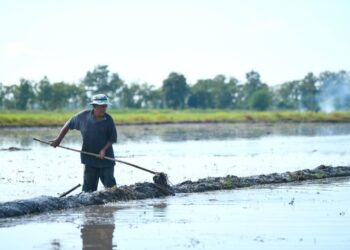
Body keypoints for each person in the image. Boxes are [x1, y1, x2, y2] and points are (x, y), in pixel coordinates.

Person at [50, 94, 117, 192]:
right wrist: (58, 140)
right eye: (101, 106)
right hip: (89, 158)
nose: (104, 108)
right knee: (88, 190)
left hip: (106, 159)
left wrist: (103, 150)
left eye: (105, 106)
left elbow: (112, 138)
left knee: (111, 189)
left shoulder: (108, 119)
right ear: (94, 106)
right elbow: (69, 124)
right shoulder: (82, 117)